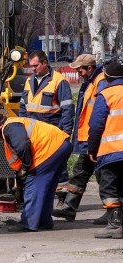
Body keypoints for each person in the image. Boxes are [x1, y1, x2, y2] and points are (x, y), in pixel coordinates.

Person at [52, 54, 107, 223]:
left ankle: (114, 213)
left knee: (103, 176)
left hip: (98, 139)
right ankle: (70, 208)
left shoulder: (101, 82)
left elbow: (101, 112)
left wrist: (95, 138)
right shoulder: (90, 82)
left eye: (80, 69)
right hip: (89, 138)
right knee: (80, 173)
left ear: (89, 68)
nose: (78, 73)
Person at [0, 116, 72, 232]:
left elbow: (22, 145)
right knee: (46, 188)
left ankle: (28, 222)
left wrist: (26, 167)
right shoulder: (13, 126)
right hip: (60, 144)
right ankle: (44, 221)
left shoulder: (9, 126)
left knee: (34, 186)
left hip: (49, 148)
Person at [19, 50, 75, 206]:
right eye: (31, 66)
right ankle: (39, 198)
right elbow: (23, 107)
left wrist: (66, 132)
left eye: (36, 65)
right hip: (34, 133)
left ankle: (62, 198)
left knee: (58, 166)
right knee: (35, 164)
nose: (33, 69)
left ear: (45, 63)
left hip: (52, 131)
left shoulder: (59, 81)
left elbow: (67, 109)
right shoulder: (29, 81)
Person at [88, 62, 123, 239]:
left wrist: (92, 149)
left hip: (113, 151)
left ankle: (115, 224)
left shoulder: (107, 94)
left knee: (109, 188)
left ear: (108, 77)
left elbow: (95, 125)